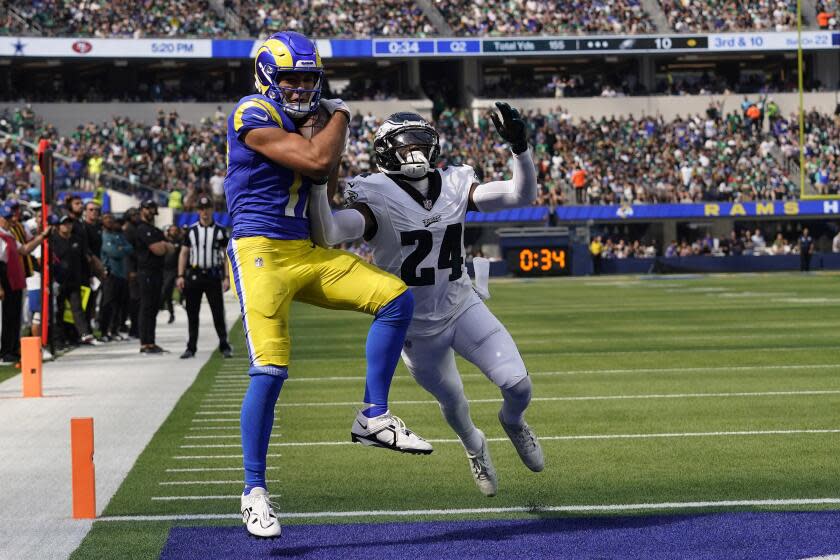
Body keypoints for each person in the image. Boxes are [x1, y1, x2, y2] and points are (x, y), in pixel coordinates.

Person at [226, 31, 429, 538]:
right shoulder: (251, 111)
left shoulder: (301, 121)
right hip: (260, 253)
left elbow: (324, 182)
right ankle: (254, 492)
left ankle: (374, 416)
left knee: (394, 297)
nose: (299, 89)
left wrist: (325, 130)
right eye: (291, 78)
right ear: (267, 76)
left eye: (308, 79)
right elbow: (318, 161)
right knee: (270, 371)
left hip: (304, 250)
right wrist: (339, 115)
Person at [309, 105, 544, 498]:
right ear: (386, 152)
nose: (414, 152)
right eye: (405, 146)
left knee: (518, 385)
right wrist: (318, 184)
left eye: (421, 144)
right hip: (415, 326)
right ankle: (474, 446)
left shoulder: (454, 182)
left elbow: (522, 194)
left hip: (462, 304)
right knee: (454, 402)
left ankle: (513, 421)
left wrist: (520, 148)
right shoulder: (375, 193)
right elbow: (329, 232)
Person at [176, 195, 232, 359]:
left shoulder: (220, 231)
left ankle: (224, 345)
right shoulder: (192, 231)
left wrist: (227, 277)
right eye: (201, 209)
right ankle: (191, 347)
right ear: (198, 211)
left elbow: (226, 255)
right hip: (194, 275)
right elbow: (184, 253)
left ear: (212, 210)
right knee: (192, 313)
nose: (204, 212)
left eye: (207, 208)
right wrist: (180, 275)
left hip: (213, 275)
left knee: (218, 312)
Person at [0, 205, 51, 362]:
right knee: (6, 317)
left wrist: (42, 236)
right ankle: (5, 350)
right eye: (6, 218)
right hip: (5, 278)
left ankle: (13, 348)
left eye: (11, 218)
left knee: (15, 316)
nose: (10, 221)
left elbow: (24, 249)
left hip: (14, 279)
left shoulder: (8, 234)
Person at [132, 200, 176, 354]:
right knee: (147, 307)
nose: (151, 211)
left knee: (153, 307)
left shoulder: (153, 229)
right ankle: (145, 342)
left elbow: (168, 248)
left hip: (156, 271)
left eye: (152, 208)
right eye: (148, 208)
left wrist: (165, 246)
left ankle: (151, 341)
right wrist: (165, 245)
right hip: (146, 272)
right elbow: (159, 249)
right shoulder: (143, 229)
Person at [50, 215, 100, 346]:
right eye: (64, 224)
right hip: (59, 281)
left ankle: (84, 335)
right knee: (59, 311)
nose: (67, 226)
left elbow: (85, 260)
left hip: (75, 280)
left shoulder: (77, 240)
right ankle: (59, 339)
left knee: (77, 309)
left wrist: (89, 276)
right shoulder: (53, 241)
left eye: (69, 223)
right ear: (58, 226)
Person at [98, 213, 133, 342]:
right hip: (110, 274)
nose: (110, 221)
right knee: (107, 303)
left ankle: (115, 330)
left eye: (111, 219)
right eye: (106, 219)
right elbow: (114, 252)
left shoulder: (118, 235)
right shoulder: (104, 236)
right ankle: (103, 331)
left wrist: (120, 248)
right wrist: (120, 249)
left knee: (119, 304)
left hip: (121, 274)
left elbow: (130, 248)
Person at [161, 224, 182, 324]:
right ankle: (171, 313)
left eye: (175, 230)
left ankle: (181, 301)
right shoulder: (164, 242)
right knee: (166, 292)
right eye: (172, 230)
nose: (173, 232)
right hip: (164, 269)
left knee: (168, 289)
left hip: (174, 269)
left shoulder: (180, 242)